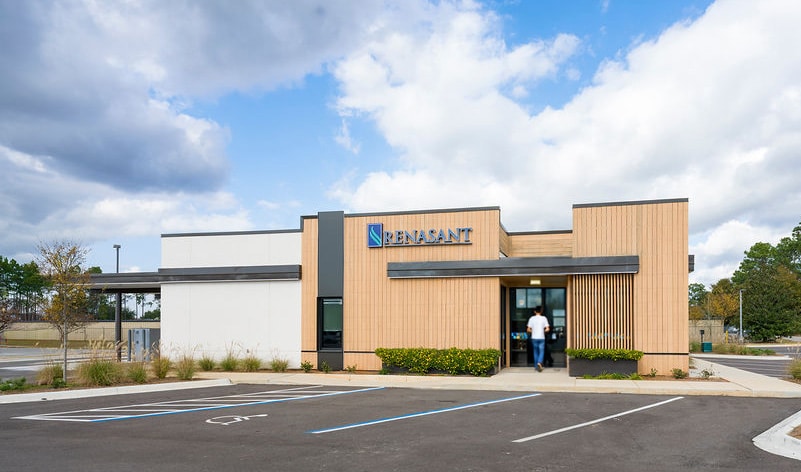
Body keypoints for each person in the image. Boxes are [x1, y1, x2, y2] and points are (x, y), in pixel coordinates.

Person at [526, 306, 550, 372]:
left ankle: (536, 366)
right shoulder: (544, 318)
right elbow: (547, 329)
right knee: (541, 351)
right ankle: (539, 362)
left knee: (535, 352)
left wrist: (533, 331)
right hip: (541, 337)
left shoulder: (531, 319)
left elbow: (528, 329)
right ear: (541, 311)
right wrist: (543, 331)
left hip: (534, 337)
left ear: (534, 311)